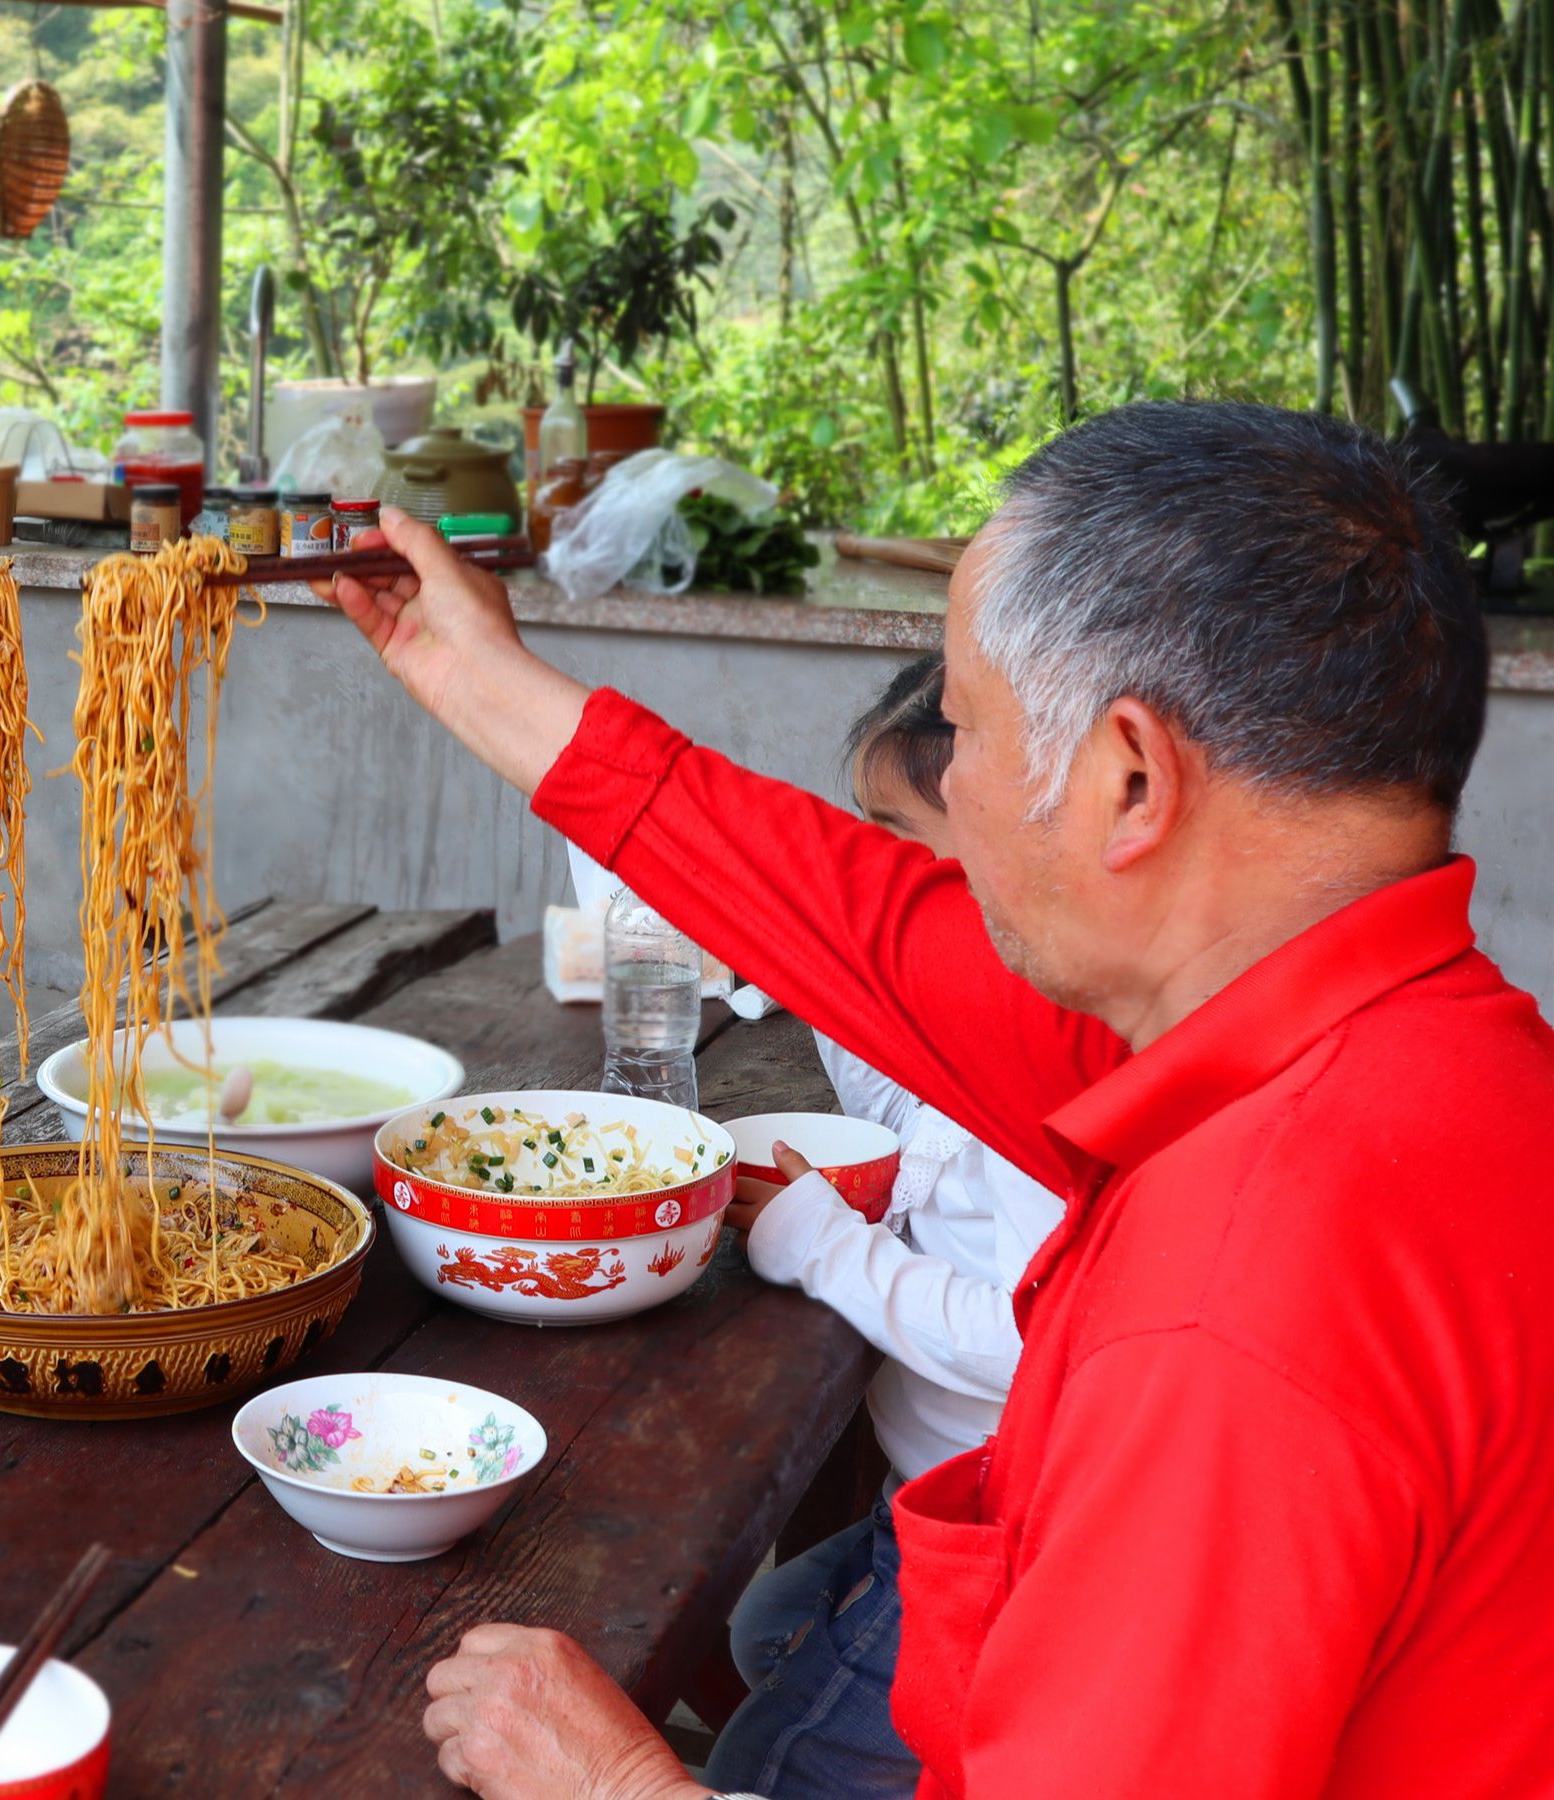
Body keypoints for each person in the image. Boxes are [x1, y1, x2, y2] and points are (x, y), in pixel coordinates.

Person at [323, 402, 1554, 1799]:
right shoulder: (1417, 1058)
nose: (950, 791)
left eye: (964, 730)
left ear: (1130, 778)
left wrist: (616, 1786)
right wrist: (472, 671)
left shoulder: (1235, 1313)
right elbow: (857, 923)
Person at [703, 655, 1065, 1800]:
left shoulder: (1050, 1082)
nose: (873, 871)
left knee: (765, 1762)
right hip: (928, 1497)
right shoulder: (990, 1021)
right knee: (766, 1626)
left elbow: (1027, 1340)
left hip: (997, 1533)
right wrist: (822, 979)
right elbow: (904, 1102)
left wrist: (823, 1244)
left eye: (897, 838)